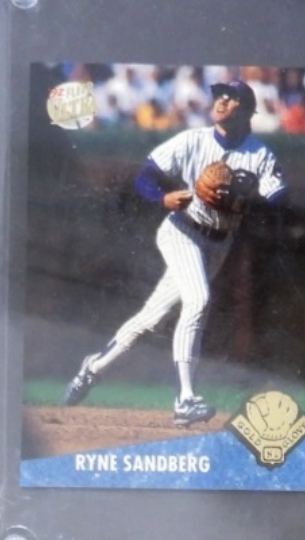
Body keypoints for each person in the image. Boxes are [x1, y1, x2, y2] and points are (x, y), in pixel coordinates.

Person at [62, 80, 286, 428]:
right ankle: (185, 400)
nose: (221, 101)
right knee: (198, 300)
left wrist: (247, 197)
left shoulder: (260, 155)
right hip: (182, 231)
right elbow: (145, 177)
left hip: (218, 243)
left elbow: (278, 199)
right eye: (219, 95)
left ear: (246, 110)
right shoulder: (192, 141)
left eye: (231, 98)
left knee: (151, 318)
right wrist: (162, 198)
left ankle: (92, 368)